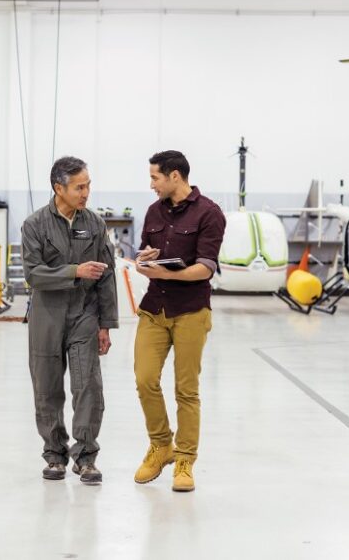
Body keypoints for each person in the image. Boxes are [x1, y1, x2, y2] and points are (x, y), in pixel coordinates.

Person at [133, 150, 226, 492]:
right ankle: (161, 445)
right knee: (145, 379)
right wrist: (145, 257)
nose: (152, 184)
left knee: (186, 390)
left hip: (191, 311)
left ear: (175, 176)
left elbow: (205, 267)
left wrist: (167, 275)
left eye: (155, 177)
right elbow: (145, 249)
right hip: (154, 308)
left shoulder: (210, 213)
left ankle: (185, 459)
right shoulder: (154, 211)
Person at [22, 156, 118, 485]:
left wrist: (106, 324)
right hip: (46, 316)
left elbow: (107, 277)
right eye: (80, 186)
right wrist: (74, 271)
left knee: (88, 386)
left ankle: (86, 457)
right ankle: (54, 454)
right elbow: (33, 274)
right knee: (47, 389)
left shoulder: (94, 225)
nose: (86, 192)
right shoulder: (34, 225)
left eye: (88, 185)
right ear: (58, 188)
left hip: (84, 314)